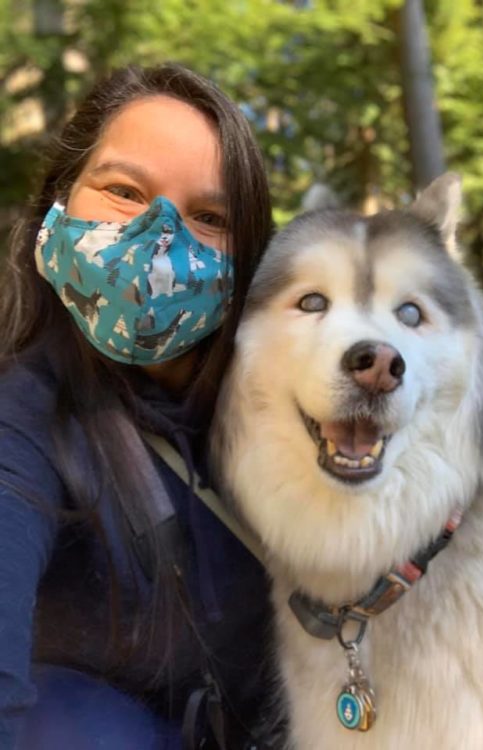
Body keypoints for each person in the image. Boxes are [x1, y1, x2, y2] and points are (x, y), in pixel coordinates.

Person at [0, 63, 277, 750]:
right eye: (125, 192)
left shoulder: (298, 404)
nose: (160, 240)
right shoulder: (22, 416)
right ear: (57, 204)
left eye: (209, 217)